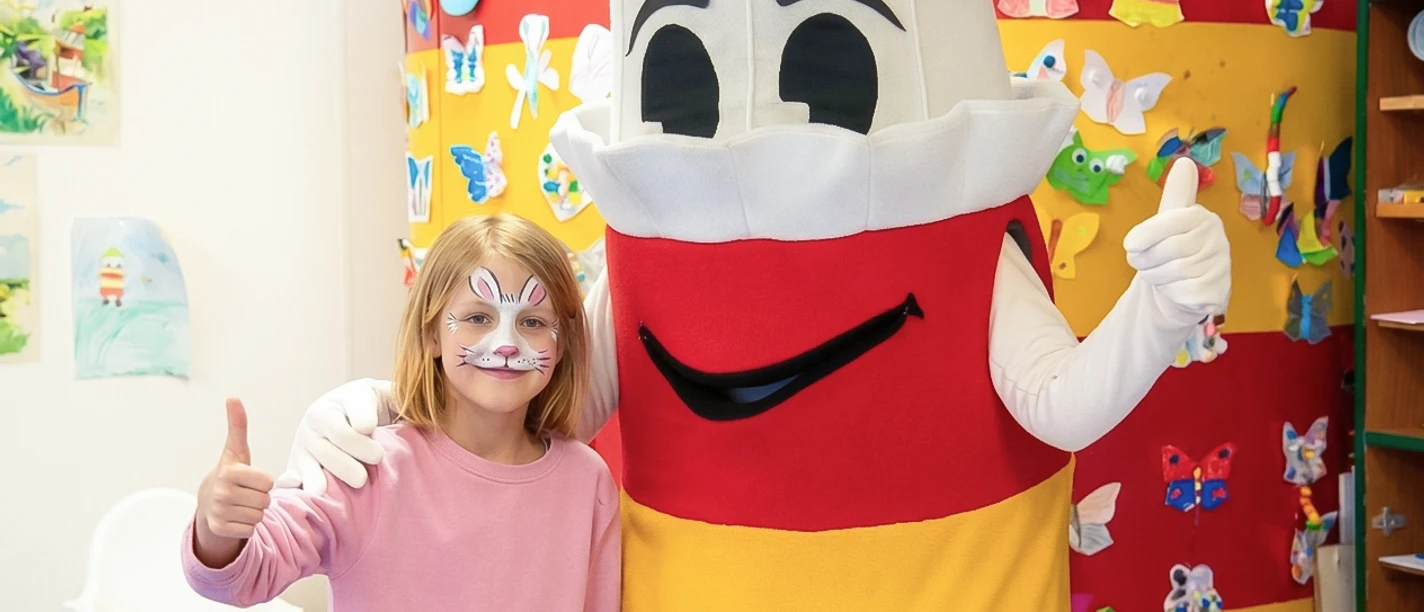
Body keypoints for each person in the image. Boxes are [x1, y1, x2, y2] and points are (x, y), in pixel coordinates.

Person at [275, 1, 1232, 609]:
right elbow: (538, 408)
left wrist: (1160, 310)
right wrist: (381, 411)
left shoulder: (959, 242)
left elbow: (1059, 403)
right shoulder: (644, 259)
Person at [182, 214, 620, 612]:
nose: (506, 344)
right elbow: (244, 577)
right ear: (432, 335)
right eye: (478, 317)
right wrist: (217, 527)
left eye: (533, 322)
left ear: (562, 344)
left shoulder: (587, 481)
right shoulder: (366, 466)